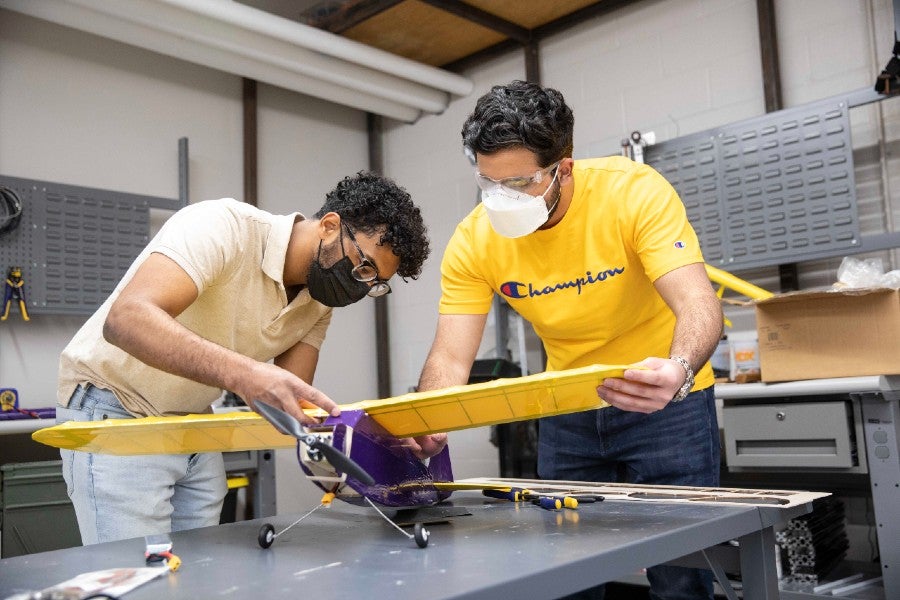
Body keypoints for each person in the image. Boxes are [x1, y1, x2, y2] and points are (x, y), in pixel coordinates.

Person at [412, 81, 724, 599]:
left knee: (681, 576)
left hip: (667, 399)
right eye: (490, 185)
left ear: (564, 167)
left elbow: (698, 304)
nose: (503, 199)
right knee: (566, 575)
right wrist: (427, 418)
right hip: (567, 410)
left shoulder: (632, 192)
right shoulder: (473, 240)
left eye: (521, 183)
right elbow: (449, 355)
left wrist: (679, 369)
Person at [57, 171, 430, 545]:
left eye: (375, 283)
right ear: (330, 227)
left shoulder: (319, 300)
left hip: (190, 422)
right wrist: (246, 375)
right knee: (134, 576)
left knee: (197, 573)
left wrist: (376, 438)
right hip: (115, 404)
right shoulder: (224, 227)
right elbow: (126, 319)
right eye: (364, 267)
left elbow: (292, 407)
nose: (361, 286)